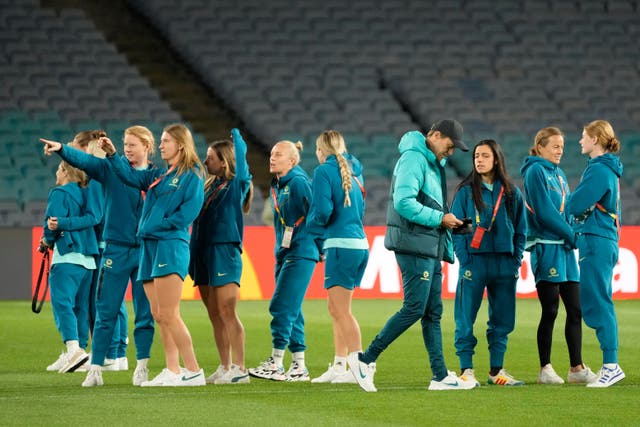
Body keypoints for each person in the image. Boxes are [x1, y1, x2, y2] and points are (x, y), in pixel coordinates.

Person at [348, 119, 475, 392]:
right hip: (414, 244)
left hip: (428, 244)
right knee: (416, 308)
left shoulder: (429, 163)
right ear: (436, 135)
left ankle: (440, 376)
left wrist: (450, 225)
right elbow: (403, 203)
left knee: (432, 312)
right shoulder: (413, 159)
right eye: (450, 146)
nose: (450, 153)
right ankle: (364, 359)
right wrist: (441, 218)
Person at [41, 126, 158, 387]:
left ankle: (142, 366)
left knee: (144, 314)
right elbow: (84, 160)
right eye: (125, 144)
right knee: (104, 310)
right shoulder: (110, 169)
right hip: (115, 249)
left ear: (146, 147)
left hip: (145, 250)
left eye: (132, 145)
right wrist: (62, 149)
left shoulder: (156, 176)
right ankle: (96, 369)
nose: (127, 148)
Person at [98, 123, 206, 387]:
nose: (160, 145)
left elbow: (188, 213)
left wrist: (156, 224)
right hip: (149, 247)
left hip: (169, 244)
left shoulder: (191, 176)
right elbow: (130, 177)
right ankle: (172, 369)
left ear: (180, 144)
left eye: (166, 141)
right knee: (159, 314)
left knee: (169, 313)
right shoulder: (161, 175)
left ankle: (193, 371)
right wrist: (113, 155)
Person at [520, 127, 597, 385]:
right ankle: (545, 368)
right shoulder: (534, 172)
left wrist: (575, 228)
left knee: (575, 309)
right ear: (540, 147)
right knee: (550, 308)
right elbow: (544, 211)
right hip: (546, 245)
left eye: (562, 146)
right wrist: (571, 235)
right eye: (555, 146)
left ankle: (576, 368)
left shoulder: (560, 174)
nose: (560, 151)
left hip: (563, 247)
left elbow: (565, 211)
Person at [450, 139, 527, 387]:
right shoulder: (465, 192)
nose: (479, 160)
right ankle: (466, 370)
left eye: (484, 156)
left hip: (504, 263)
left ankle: (496, 371)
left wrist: (515, 261)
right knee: (465, 318)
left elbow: (521, 231)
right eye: (476, 156)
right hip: (475, 263)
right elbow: (457, 230)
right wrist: (465, 260)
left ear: (496, 159)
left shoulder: (512, 193)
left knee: (503, 320)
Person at [248, 140, 319, 382]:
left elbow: (316, 214)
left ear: (292, 161)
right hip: (285, 252)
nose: (271, 157)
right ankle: (299, 366)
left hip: (301, 251)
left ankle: (276, 362)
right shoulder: (278, 184)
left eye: (278, 155)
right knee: (292, 309)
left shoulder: (299, 182)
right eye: (271, 154)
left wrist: (319, 247)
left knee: (279, 306)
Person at [189, 128, 253, 385]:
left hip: (224, 251)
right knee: (214, 312)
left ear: (224, 161)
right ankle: (225, 366)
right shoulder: (208, 185)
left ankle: (240, 368)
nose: (206, 162)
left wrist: (238, 141)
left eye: (210, 157)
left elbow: (244, 166)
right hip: (201, 252)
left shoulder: (236, 184)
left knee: (227, 311)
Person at [567, 119, 625, 388]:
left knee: (598, 301)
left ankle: (611, 365)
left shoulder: (599, 170)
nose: (580, 141)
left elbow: (576, 203)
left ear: (596, 139)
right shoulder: (607, 170)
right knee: (599, 299)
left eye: (583, 136)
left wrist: (571, 207)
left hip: (596, 240)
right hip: (601, 239)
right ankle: (610, 364)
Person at [306, 130, 367, 386]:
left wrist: (311, 229)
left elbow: (323, 210)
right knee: (337, 309)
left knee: (341, 311)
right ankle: (340, 365)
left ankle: (359, 366)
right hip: (358, 243)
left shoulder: (322, 172)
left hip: (340, 245)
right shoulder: (355, 171)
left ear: (321, 151)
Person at [40, 160, 99, 374]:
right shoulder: (87, 193)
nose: (56, 172)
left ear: (65, 171)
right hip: (88, 261)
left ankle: (72, 349)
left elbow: (52, 222)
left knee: (62, 304)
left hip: (66, 257)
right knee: (81, 308)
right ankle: (79, 354)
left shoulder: (59, 193)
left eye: (58, 168)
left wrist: (46, 240)